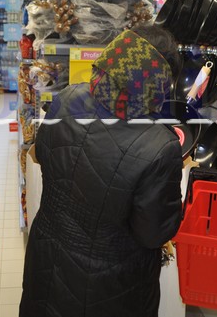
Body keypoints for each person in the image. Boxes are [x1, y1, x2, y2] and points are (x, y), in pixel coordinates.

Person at [20, 25, 184, 317]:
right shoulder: (160, 145)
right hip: (109, 288)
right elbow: (153, 233)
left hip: (47, 260)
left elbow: (44, 155)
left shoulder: (67, 97)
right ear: (159, 80)